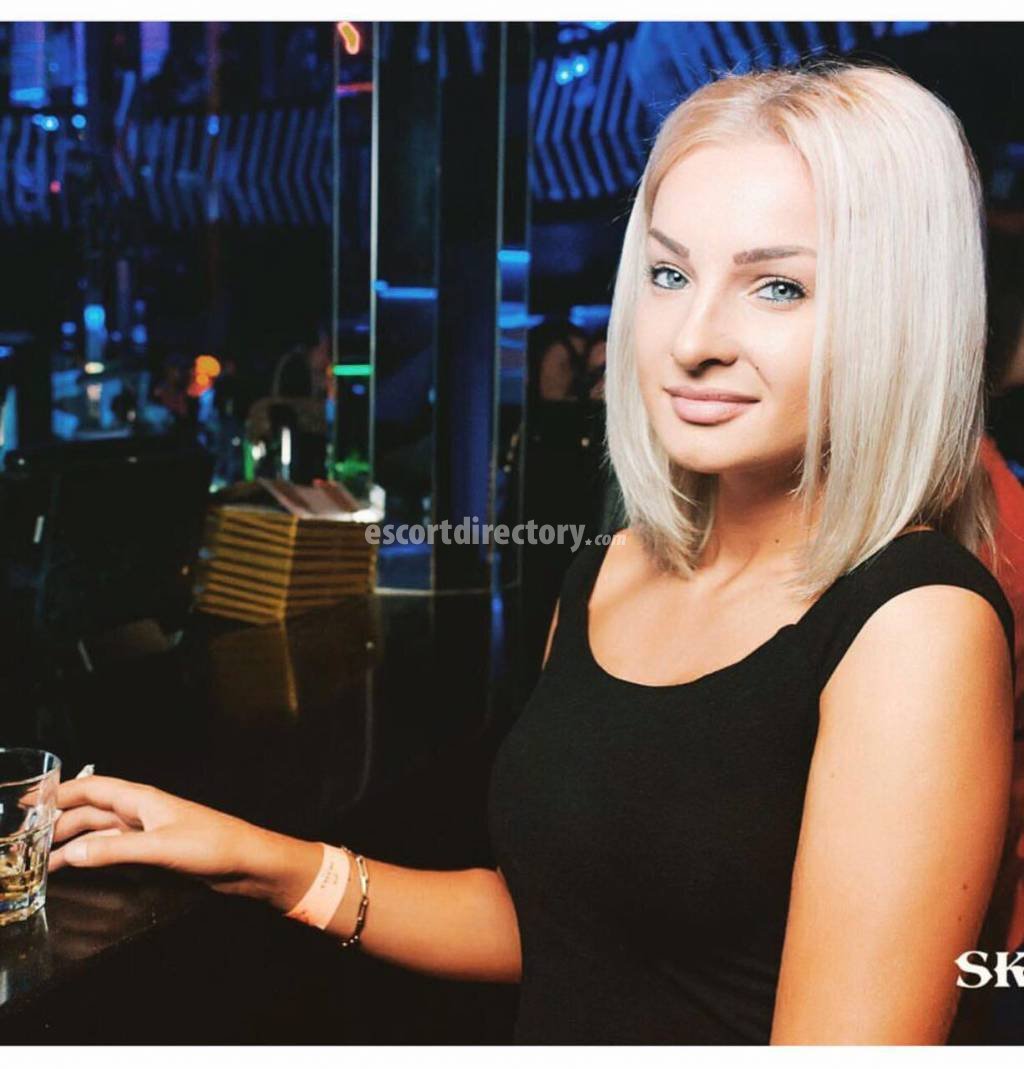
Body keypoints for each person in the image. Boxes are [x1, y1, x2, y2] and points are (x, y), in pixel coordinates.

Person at [48, 60, 1018, 1044]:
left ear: (897, 318)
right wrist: (260, 859)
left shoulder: (915, 627)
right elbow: (570, 932)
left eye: (777, 286)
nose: (691, 338)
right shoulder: (615, 569)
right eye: (669, 274)